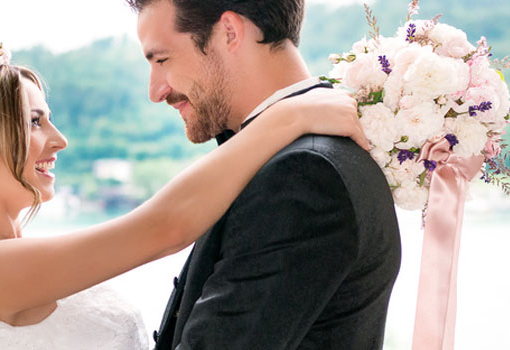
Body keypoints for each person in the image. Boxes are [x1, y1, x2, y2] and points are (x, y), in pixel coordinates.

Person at [0, 44, 369, 349]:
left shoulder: (8, 261)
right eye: (34, 122)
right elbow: (164, 228)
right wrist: (288, 118)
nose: (59, 139)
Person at [127, 0, 403, 348]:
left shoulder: (302, 178)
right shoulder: (296, 158)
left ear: (229, 31)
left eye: (162, 59)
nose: (156, 92)